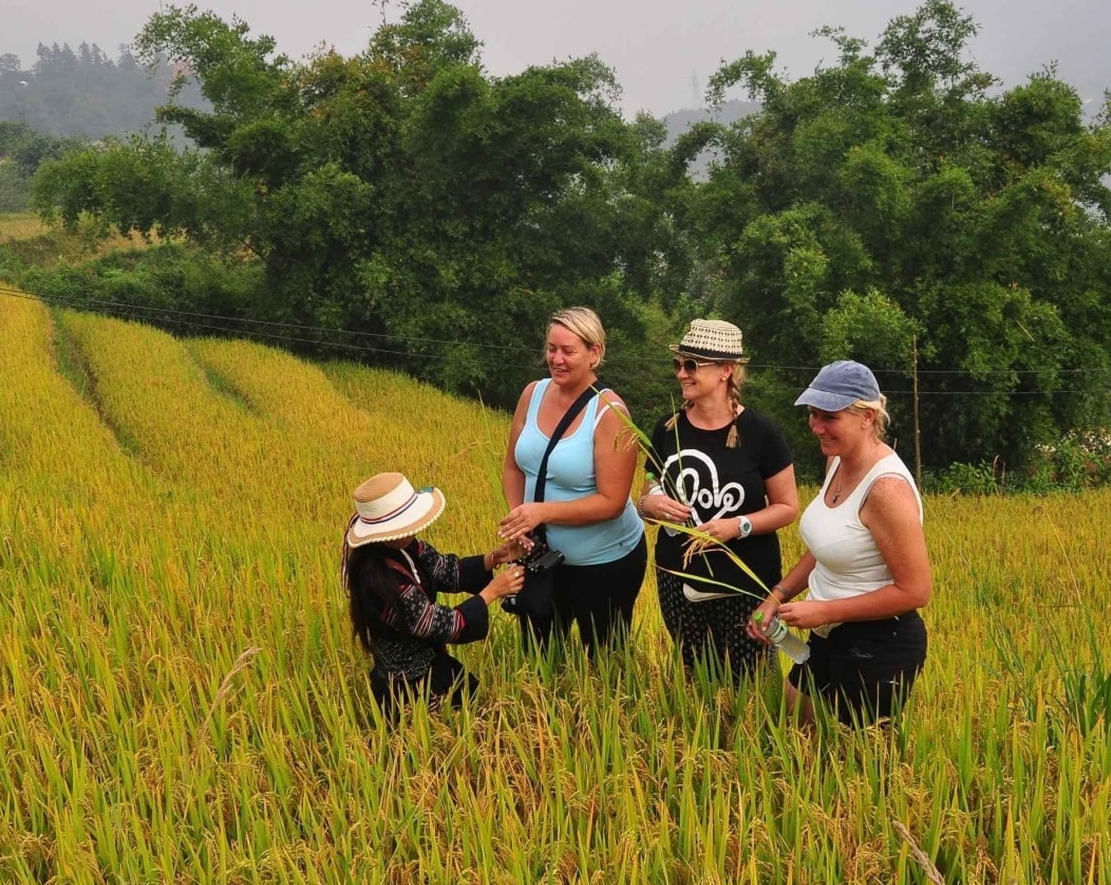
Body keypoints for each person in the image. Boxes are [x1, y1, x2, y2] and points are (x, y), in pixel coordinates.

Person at [748, 360, 932, 727]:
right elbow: (825, 547)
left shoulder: (886, 490)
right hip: (827, 633)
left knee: (849, 764)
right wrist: (776, 596)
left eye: (828, 417)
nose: (817, 427)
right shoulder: (838, 462)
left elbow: (916, 591)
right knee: (794, 723)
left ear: (866, 416)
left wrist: (825, 611)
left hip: (878, 644)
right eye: (813, 414)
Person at [639, 319, 799, 680]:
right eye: (678, 364)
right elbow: (648, 486)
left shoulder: (761, 433)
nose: (682, 374)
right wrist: (650, 505)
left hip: (743, 581)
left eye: (692, 365)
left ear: (727, 370)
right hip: (677, 577)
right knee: (695, 676)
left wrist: (738, 525)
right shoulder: (667, 429)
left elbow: (787, 507)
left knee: (752, 679)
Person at [500, 307, 648, 658]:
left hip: (604, 564)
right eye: (552, 348)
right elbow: (513, 467)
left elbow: (612, 502)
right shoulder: (531, 394)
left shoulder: (610, 413)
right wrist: (519, 519)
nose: (557, 359)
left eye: (569, 351)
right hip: (541, 559)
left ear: (595, 353)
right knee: (537, 656)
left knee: (603, 660)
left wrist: (541, 512)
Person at [342, 471, 526, 721]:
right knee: (427, 733)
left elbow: (446, 570)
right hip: (407, 684)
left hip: (430, 663)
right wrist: (492, 592)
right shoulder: (380, 581)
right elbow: (440, 625)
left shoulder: (406, 546)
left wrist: (492, 559)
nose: (415, 527)